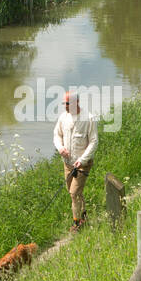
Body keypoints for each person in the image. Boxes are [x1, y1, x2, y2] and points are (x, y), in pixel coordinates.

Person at [53, 90, 98, 232]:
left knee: (74, 194)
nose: (65, 106)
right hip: (67, 164)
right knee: (74, 193)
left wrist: (82, 159)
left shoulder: (89, 118)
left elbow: (94, 141)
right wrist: (60, 148)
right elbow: (56, 135)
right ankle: (84, 215)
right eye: (64, 103)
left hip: (83, 165)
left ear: (76, 102)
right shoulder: (63, 118)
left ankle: (76, 224)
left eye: (67, 103)